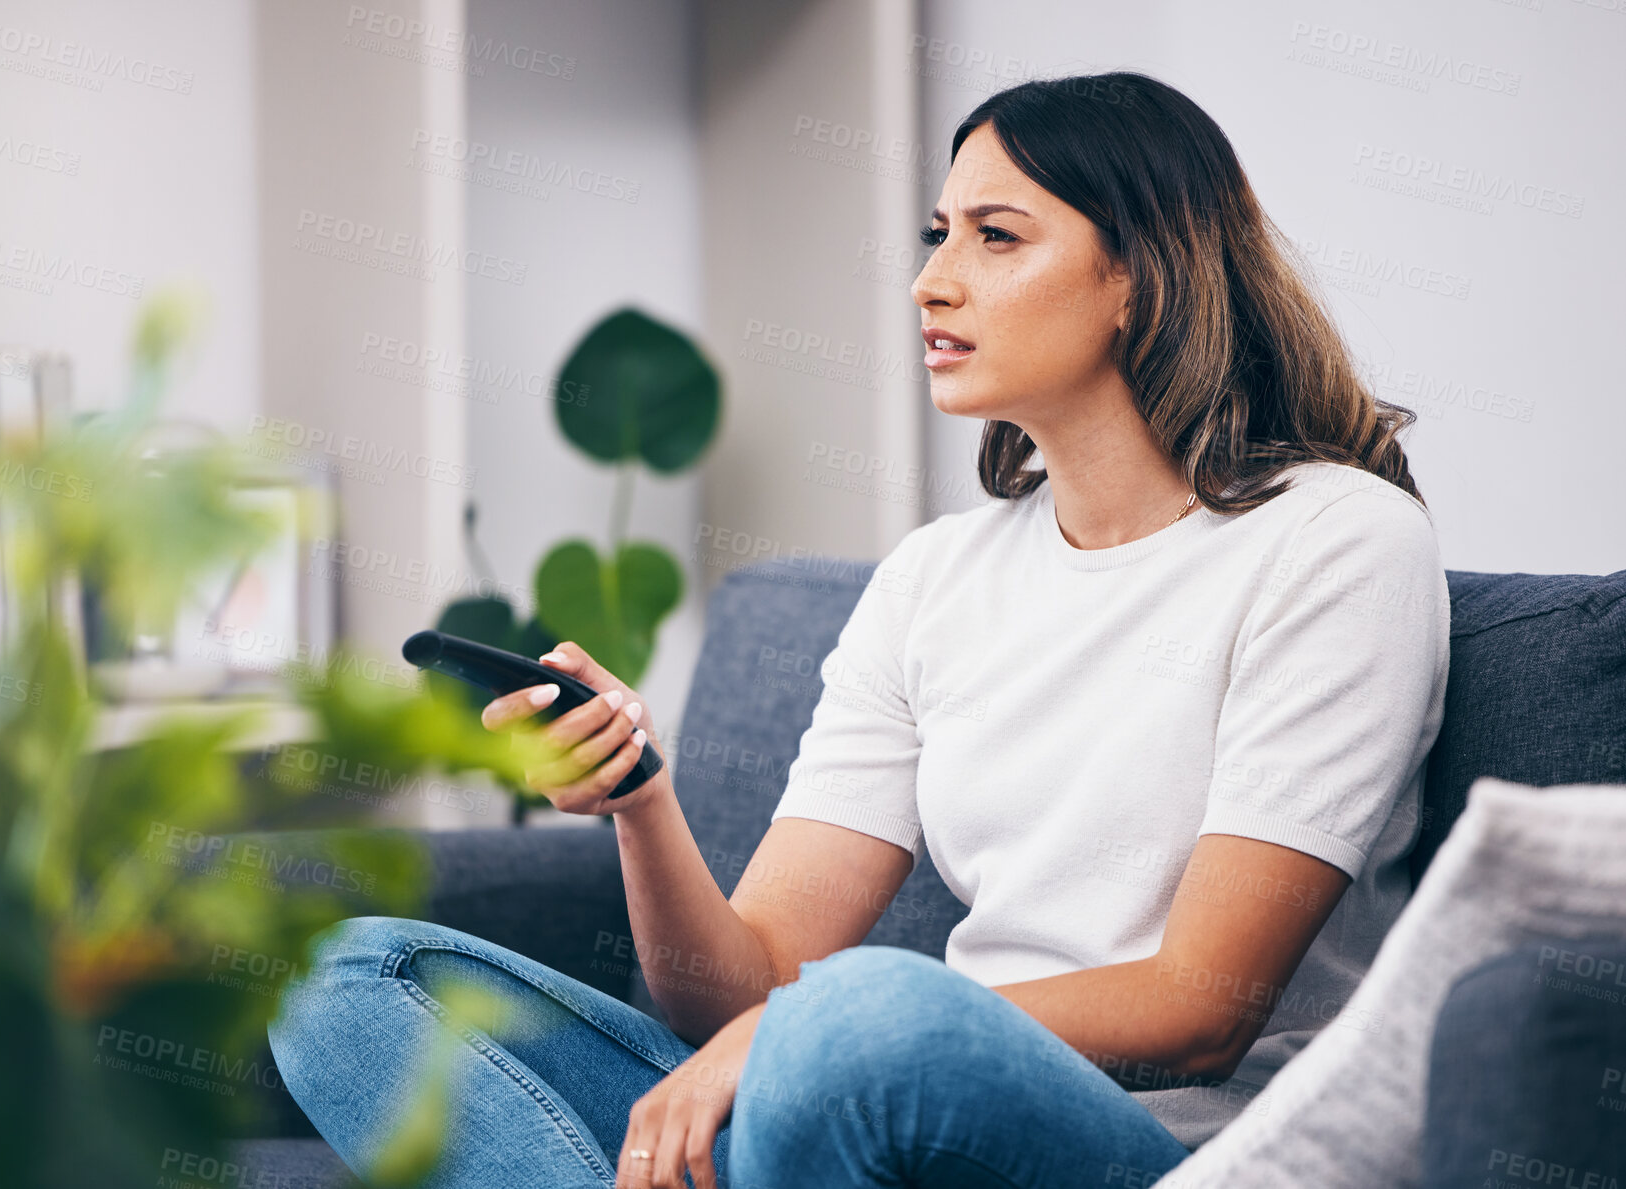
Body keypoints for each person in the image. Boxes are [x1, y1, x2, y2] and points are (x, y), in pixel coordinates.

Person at [268, 70, 1450, 1189]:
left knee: (861, 1014)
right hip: (853, 1102)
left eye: (996, 236)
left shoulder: (1338, 543)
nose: (933, 281)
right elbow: (747, 982)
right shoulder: (935, 576)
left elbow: (1204, 1002)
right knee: (350, 978)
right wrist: (641, 801)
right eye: (939, 234)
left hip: (1166, 1144)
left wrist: (800, 1029)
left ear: (1141, 276)